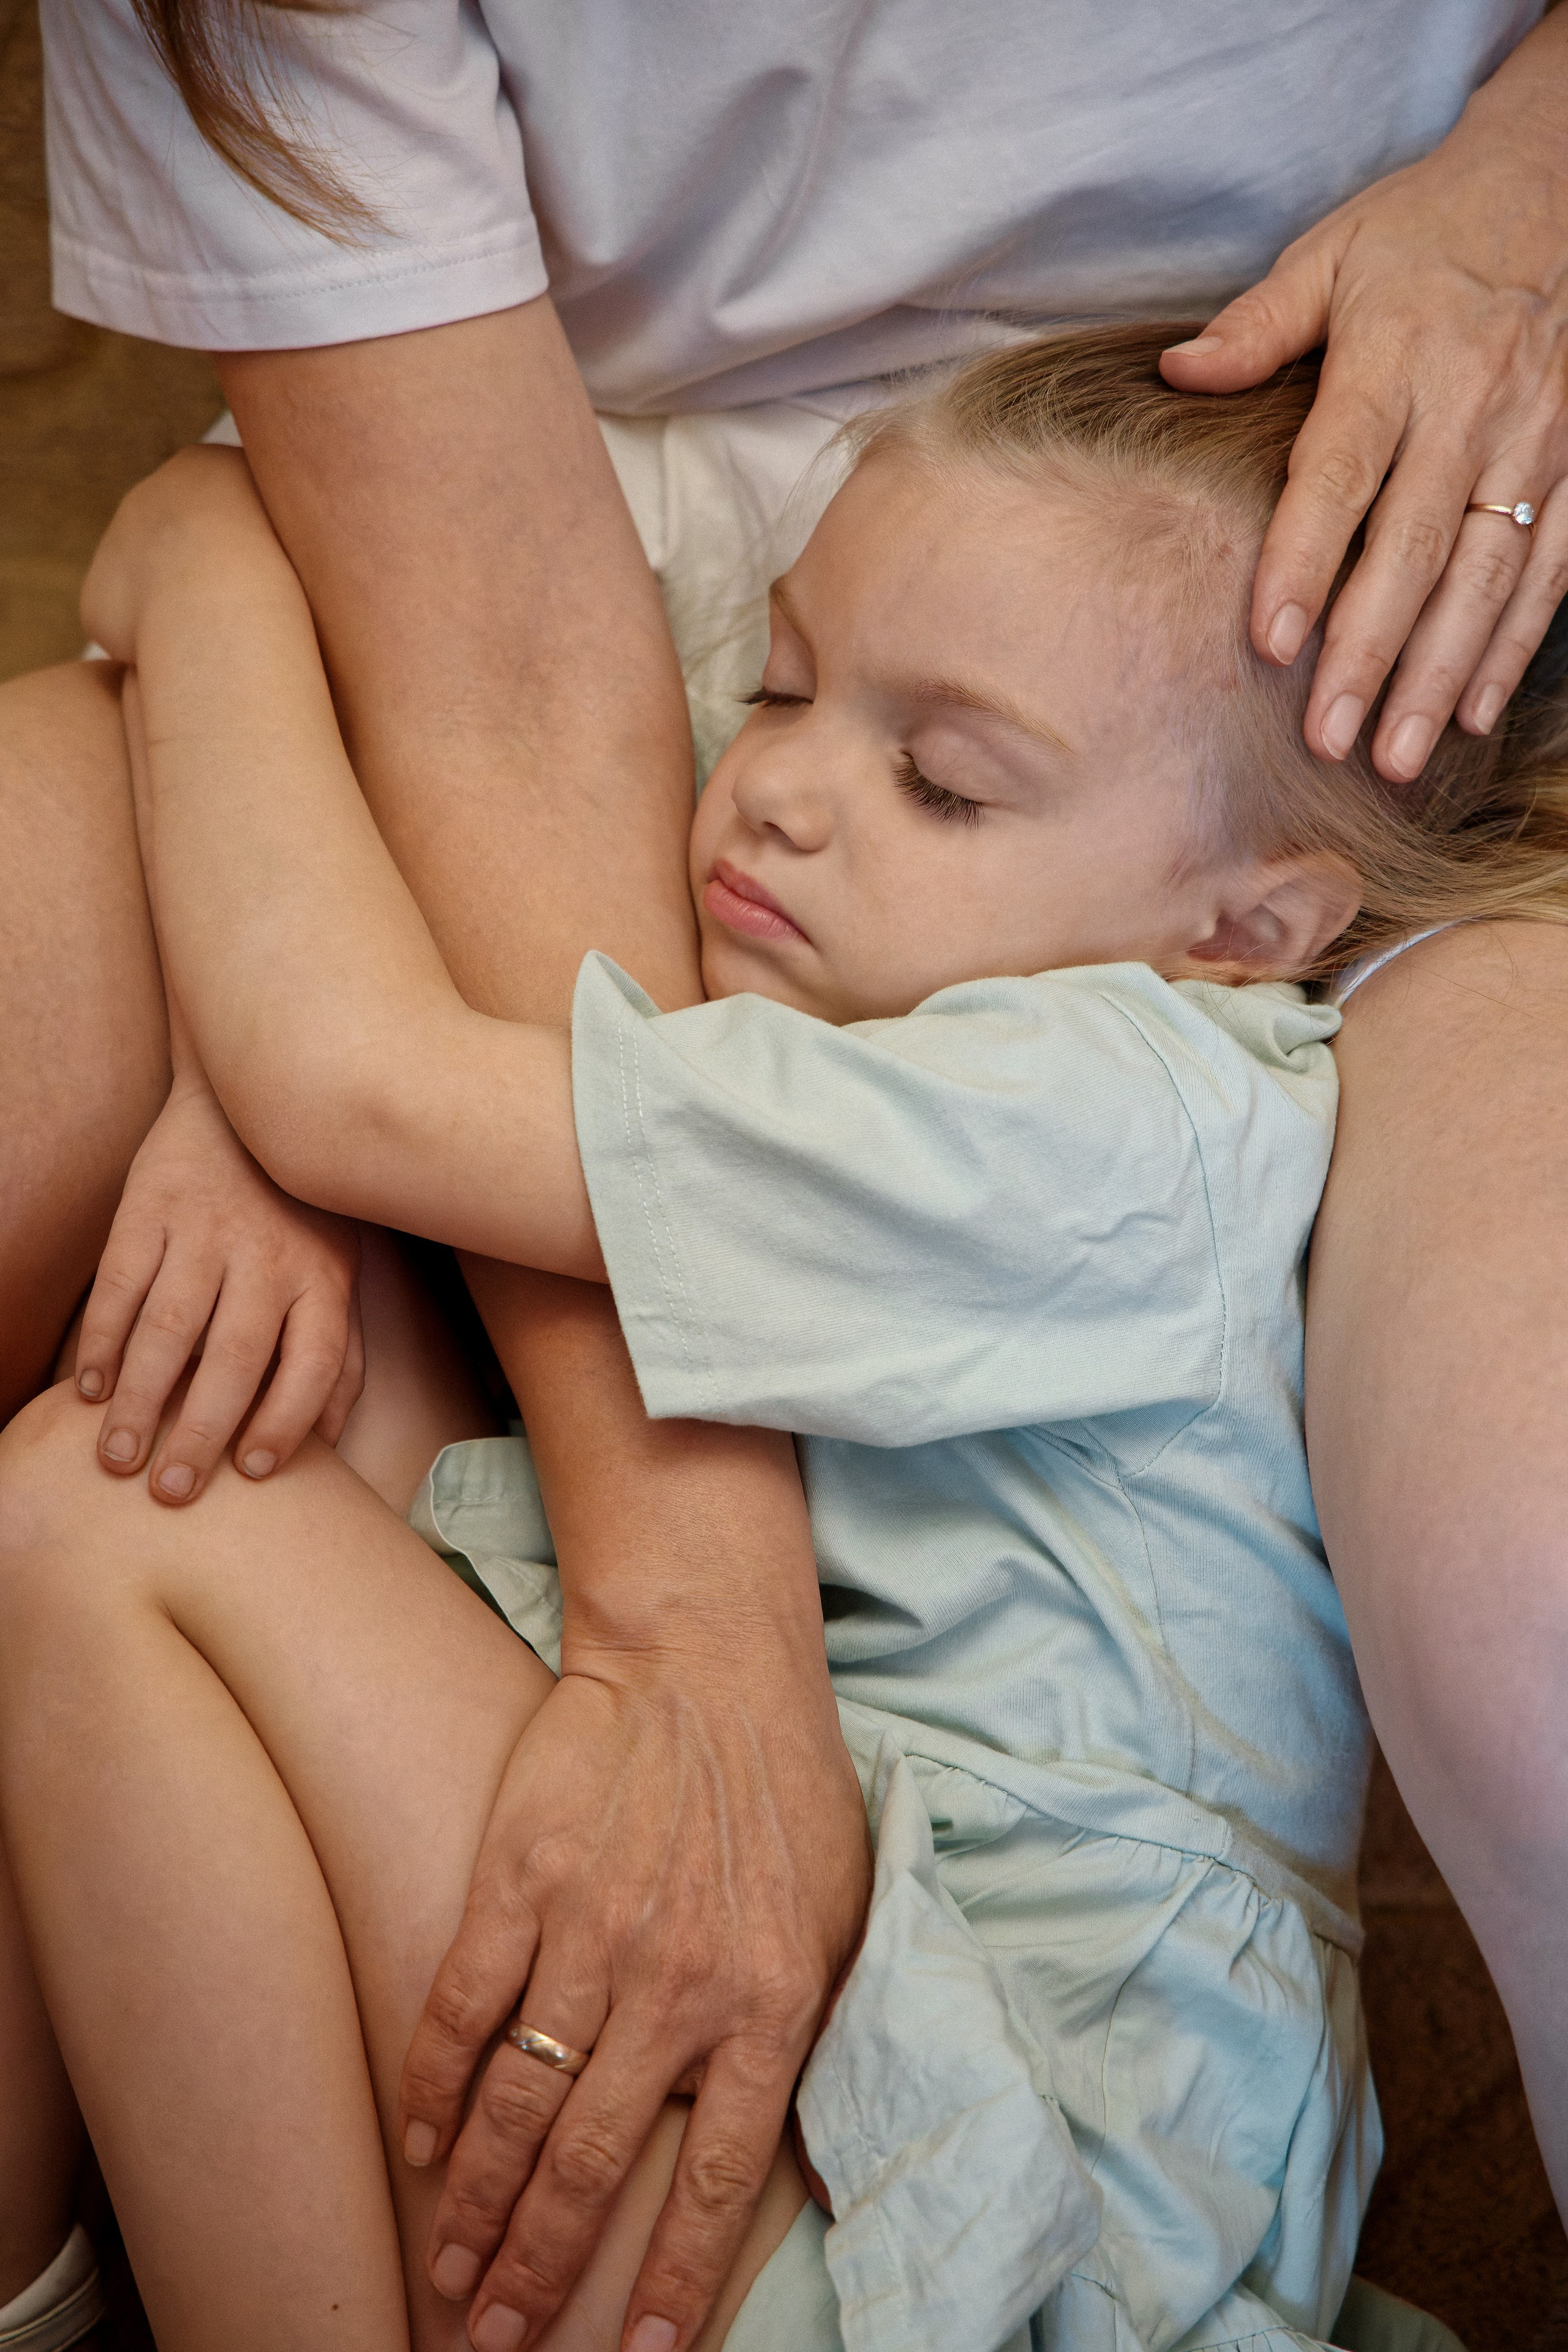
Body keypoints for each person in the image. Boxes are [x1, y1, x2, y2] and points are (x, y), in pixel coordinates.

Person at [5, 1, 1568, 2343]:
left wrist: (199, 553)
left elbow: (351, 1072)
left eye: (940, 783)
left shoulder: (1087, 1109)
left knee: (106, 1505)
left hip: (975, 2171)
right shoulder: (1050, 994)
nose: (784, 797)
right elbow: (492, 697)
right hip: (932, 2056)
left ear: (1253, 929)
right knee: (254, 1394)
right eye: (783, 685)